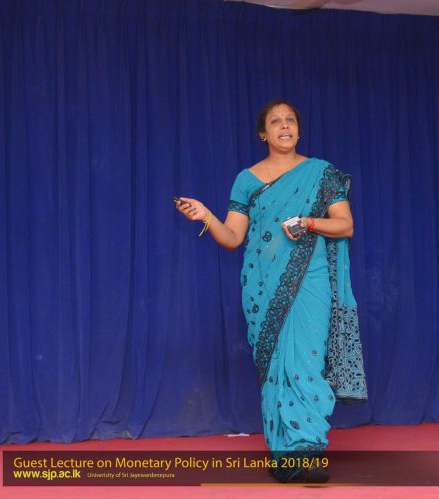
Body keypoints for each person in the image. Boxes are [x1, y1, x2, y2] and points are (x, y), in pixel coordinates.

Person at [175, 100, 367, 483]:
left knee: (305, 362)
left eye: (290, 120)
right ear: (263, 133)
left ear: (299, 129)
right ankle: (283, 453)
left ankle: (307, 450)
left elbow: (344, 225)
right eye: (276, 121)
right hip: (262, 285)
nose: (284, 126)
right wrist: (206, 215)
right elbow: (233, 237)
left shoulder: (321, 173)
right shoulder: (246, 180)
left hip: (310, 282)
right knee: (277, 367)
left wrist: (309, 223)